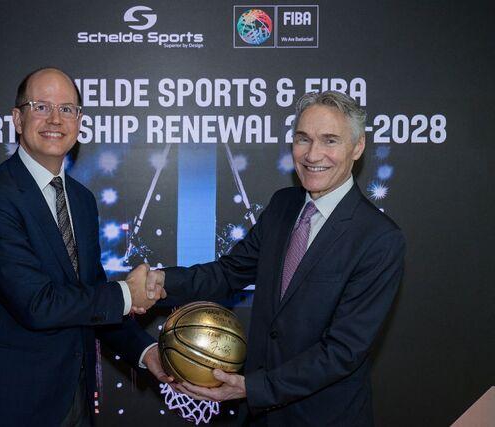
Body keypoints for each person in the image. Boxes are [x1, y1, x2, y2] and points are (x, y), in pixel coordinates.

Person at [147, 90, 406, 426]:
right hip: (258, 418)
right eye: (303, 138)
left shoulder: (379, 238)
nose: (313, 154)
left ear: (357, 147)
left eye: (330, 140)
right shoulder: (283, 205)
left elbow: (342, 351)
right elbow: (229, 273)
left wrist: (253, 388)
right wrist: (161, 280)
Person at [0, 67, 168, 427]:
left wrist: (146, 352)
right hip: (11, 405)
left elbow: (89, 296)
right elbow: (37, 304)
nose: (55, 119)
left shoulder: (81, 200)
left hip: (76, 399)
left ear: (79, 122)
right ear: (17, 119)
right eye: (41, 107)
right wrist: (126, 294)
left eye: (67, 109)